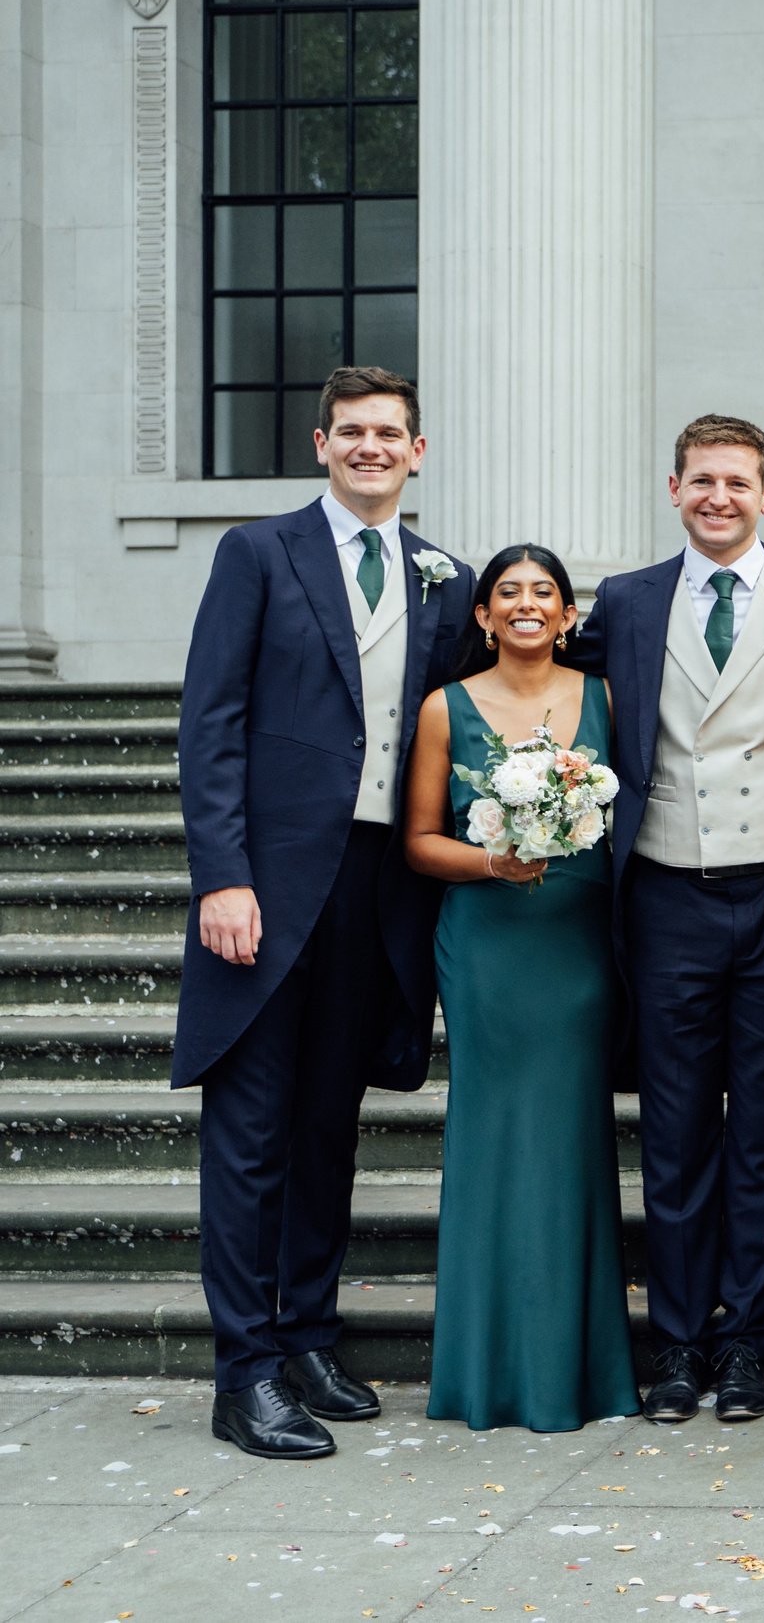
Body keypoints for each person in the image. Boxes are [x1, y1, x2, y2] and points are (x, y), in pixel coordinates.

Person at [175, 367, 476, 1459]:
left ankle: (305, 1335)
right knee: (251, 1132)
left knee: (326, 1127)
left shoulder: (447, 577)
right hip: (267, 882)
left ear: (417, 450)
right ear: (320, 443)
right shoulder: (257, 555)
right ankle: (244, 1370)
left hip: (379, 885)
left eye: (388, 434)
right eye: (351, 432)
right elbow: (210, 721)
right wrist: (222, 876)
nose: (369, 448)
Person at [563, 415, 764, 1425]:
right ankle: (678, 1344)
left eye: (738, 481)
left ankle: (747, 1344)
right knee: (677, 1129)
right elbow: (548, 689)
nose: (719, 497)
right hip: (663, 890)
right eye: (702, 481)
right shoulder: (628, 601)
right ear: (674, 490)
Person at [403, 545, 636, 1433]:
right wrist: (494, 861)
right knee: (493, 1136)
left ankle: (575, 1368)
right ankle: (484, 1369)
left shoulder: (606, 699)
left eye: (544, 592)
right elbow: (422, 840)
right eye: (510, 593)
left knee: (573, 1141)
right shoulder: (443, 708)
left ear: (569, 614)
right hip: (490, 945)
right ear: (483, 616)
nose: (528, 604)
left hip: (579, 945)